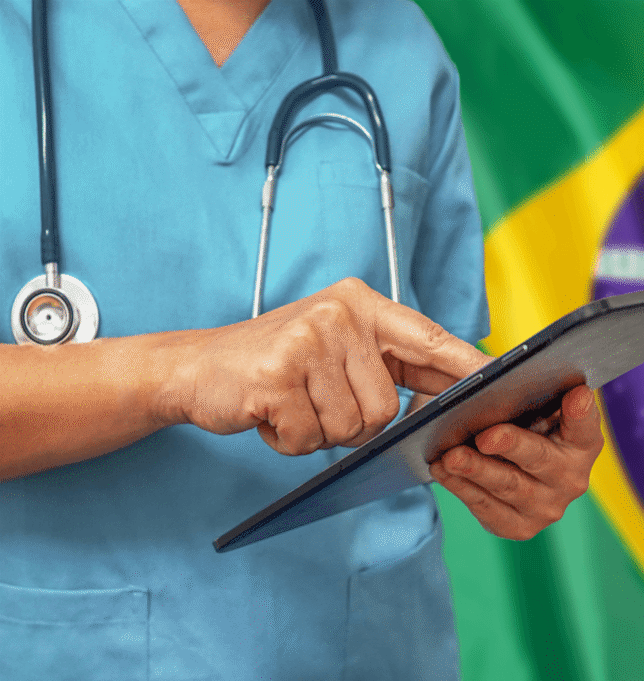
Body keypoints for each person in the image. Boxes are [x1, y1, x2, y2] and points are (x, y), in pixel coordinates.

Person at [0, 0, 604, 678]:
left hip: (359, 645)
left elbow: (435, 388)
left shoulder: (401, 48)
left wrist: (513, 461)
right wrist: (182, 371)